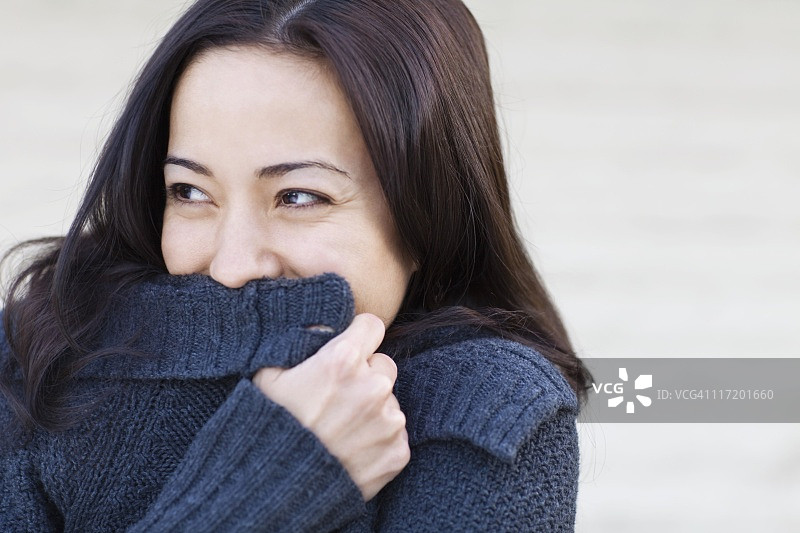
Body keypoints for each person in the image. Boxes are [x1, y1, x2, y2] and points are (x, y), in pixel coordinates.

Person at [0, 0, 590, 530]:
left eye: (299, 198)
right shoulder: (38, 353)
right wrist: (269, 483)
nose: (231, 267)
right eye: (190, 192)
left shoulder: (485, 409)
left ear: (426, 213)